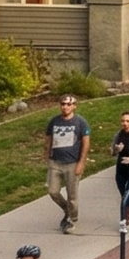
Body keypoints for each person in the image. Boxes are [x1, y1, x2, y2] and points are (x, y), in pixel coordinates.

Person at [43, 95, 90, 233]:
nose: (65, 107)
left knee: (72, 195)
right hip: (55, 162)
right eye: (63, 104)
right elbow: (48, 139)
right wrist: (47, 156)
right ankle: (66, 209)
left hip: (72, 163)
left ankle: (71, 219)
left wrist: (81, 163)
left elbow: (86, 143)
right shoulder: (54, 121)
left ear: (74, 106)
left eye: (69, 104)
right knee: (53, 191)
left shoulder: (80, 122)